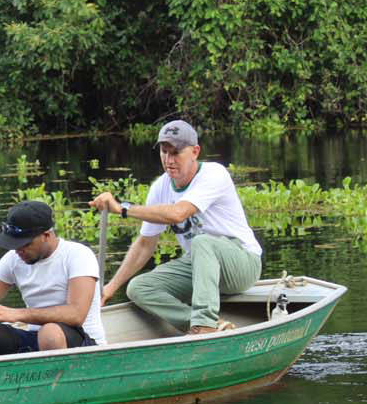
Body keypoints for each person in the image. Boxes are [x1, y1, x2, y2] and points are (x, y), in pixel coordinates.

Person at [89, 119, 261, 335]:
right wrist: (110, 288)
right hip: (201, 266)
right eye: (164, 152)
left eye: (176, 153)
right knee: (138, 287)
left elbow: (178, 213)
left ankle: (205, 324)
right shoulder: (160, 187)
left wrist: (123, 208)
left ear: (195, 152)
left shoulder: (214, 174)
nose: (169, 160)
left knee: (202, 242)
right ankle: (201, 324)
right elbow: (145, 245)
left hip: (243, 263)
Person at [0, 200, 105, 354]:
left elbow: (76, 314)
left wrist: (16, 314)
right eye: (14, 244)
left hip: (82, 341)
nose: (18, 250)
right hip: (36, 338)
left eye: (25, 244)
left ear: (46, 235)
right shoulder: (13, 259)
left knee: (50, 334)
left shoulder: (78, 255)